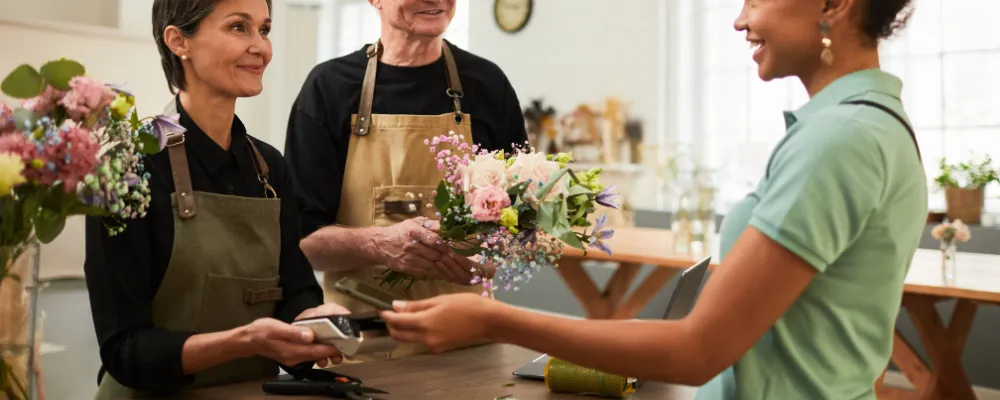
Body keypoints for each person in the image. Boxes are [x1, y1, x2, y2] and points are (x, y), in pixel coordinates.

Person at [379, 0, 929, 398]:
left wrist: (495, 322)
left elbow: (696, 351)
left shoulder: (838, 140)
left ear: (833, 3)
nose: (741, 19)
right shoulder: (871, 124)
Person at [83, 0, 349, 397]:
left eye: (265, 29)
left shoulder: (270, 169)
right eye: (239, 27)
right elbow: (125, 349)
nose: (261, 46)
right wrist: (243, 342)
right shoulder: (126, 168)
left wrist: (315, 319)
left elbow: (296, 292)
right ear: (178, 41)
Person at [284, 0, 528, 359]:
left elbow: (522, 227)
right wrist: (379, 243)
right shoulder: (329, 88)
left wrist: (484, 263)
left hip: (467, 342)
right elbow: (301, 245)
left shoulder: (488, 84)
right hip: (361, 343)